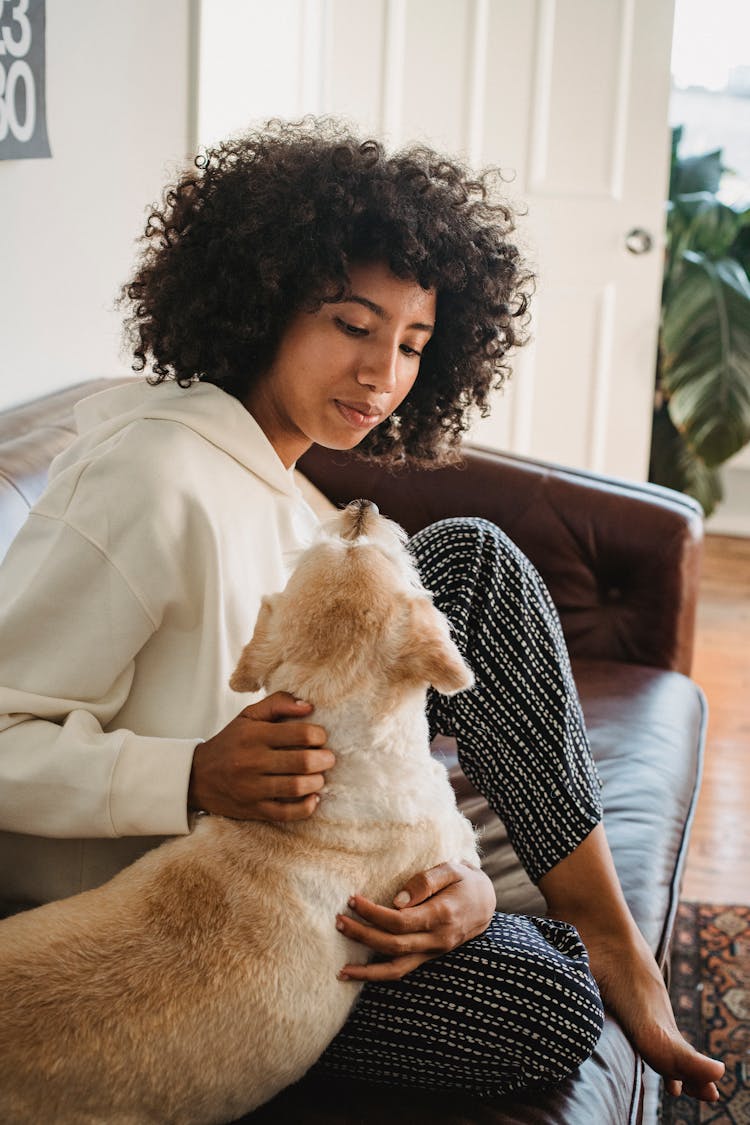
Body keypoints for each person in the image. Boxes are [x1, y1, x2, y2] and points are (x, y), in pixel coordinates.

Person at [0, 117, 723, 1104]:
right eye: (352, 325)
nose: (383, 373)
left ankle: (602, 929)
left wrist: (459, 879)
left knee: (464, 563)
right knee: (545, 1001)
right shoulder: (148, 478)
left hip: (306, 875)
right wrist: (191, 774)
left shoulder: (302, 505)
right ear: (264, 303)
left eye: (413, 344)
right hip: (177, 936)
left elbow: (385, 752)